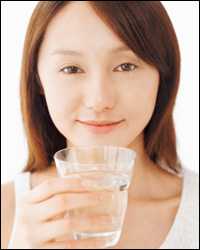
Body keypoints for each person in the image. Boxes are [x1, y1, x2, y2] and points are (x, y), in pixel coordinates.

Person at [1, 1, 199, 249]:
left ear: (163, 75)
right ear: (38, 79)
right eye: (71, 68)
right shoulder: (7, 213)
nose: (99, 100)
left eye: (126, 66)